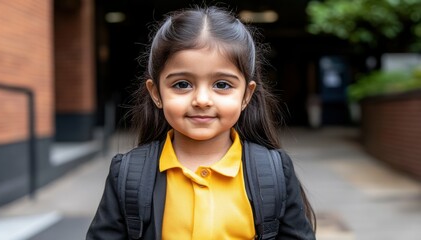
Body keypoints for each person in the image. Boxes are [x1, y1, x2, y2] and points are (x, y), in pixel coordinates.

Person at [87, 6, 316, 240]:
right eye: (182, 84)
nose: (202, 100)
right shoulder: (128, 175)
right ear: (156, 93)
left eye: (222, 85)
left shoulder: (273, 171)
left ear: (246, 95)